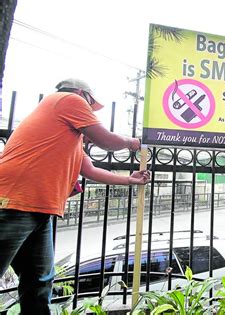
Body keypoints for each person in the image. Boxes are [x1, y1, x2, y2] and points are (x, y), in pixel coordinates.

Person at [0, 78, 151, 314]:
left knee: (39, 284)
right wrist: (134, 143)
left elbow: (90, 170)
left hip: (41, 209)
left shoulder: (66, 136)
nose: (90, 112)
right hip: (14, 201)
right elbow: (106, 140)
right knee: (36, 282)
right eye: (91, 105)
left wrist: (130, 179)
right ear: (83, 94)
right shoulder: (68, 99)